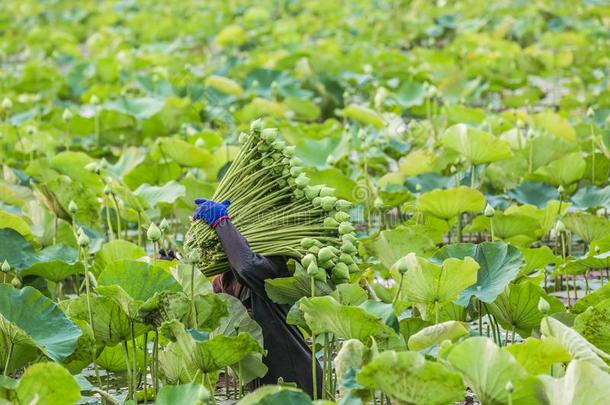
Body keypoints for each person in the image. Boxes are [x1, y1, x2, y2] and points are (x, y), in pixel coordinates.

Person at [192, 198, 323, 398]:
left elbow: (246, 266)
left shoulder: (276, 267)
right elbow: (205, 303)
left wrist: (222, 223)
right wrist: (180, 265)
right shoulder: (227, 281)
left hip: (298, 388)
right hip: (264, 393)